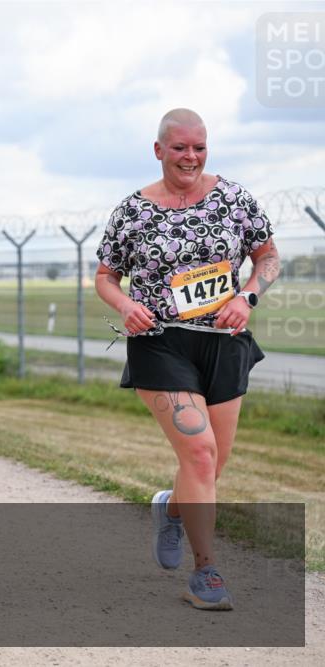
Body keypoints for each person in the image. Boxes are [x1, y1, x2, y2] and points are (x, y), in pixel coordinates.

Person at [94, 108, 279, 611]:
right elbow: (105, 275)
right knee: (199, 454)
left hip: (224, 341)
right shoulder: (133, 211)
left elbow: (268, 255)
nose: (190, 156)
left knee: (213, 463)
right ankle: (206, 571)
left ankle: (171, 509)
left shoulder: (236, 199)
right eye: (179, 147)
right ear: (159, 151)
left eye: (199, 147)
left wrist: (248, 297)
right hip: (160, 341)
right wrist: (126, 305)